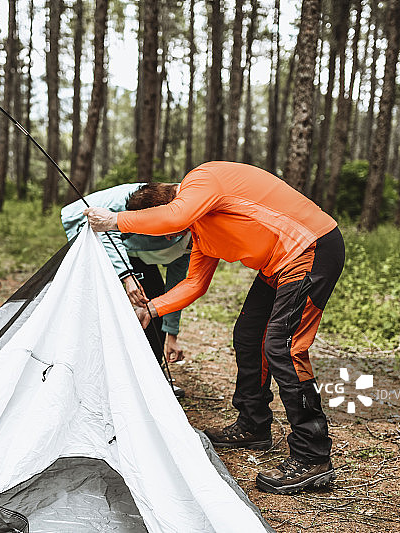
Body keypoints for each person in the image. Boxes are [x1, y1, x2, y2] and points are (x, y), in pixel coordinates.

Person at [83, 161, 345, 495]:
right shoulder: (200, 229)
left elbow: (174, 217)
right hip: (278, 264)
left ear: (162, 210)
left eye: (158, 231)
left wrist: (114, 220)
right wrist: (150, 309)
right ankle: (254, 425)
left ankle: (313, 457)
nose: (167, 237)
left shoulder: (201, 181)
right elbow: (194, 283)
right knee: (249, 336)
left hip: (311, 247)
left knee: (283, 346)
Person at [61, 183, 191, 395]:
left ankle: (150, 378)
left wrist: (172, 336)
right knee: (99, 306)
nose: (171, 237)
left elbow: (176, 288)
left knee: (152, 305)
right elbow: (104, 232)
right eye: (169, 232)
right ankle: (88, 375)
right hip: (95, 236)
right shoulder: (130, 206)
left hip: (135, 248)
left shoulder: (186, 228)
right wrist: (127, 277)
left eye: (176, 233)